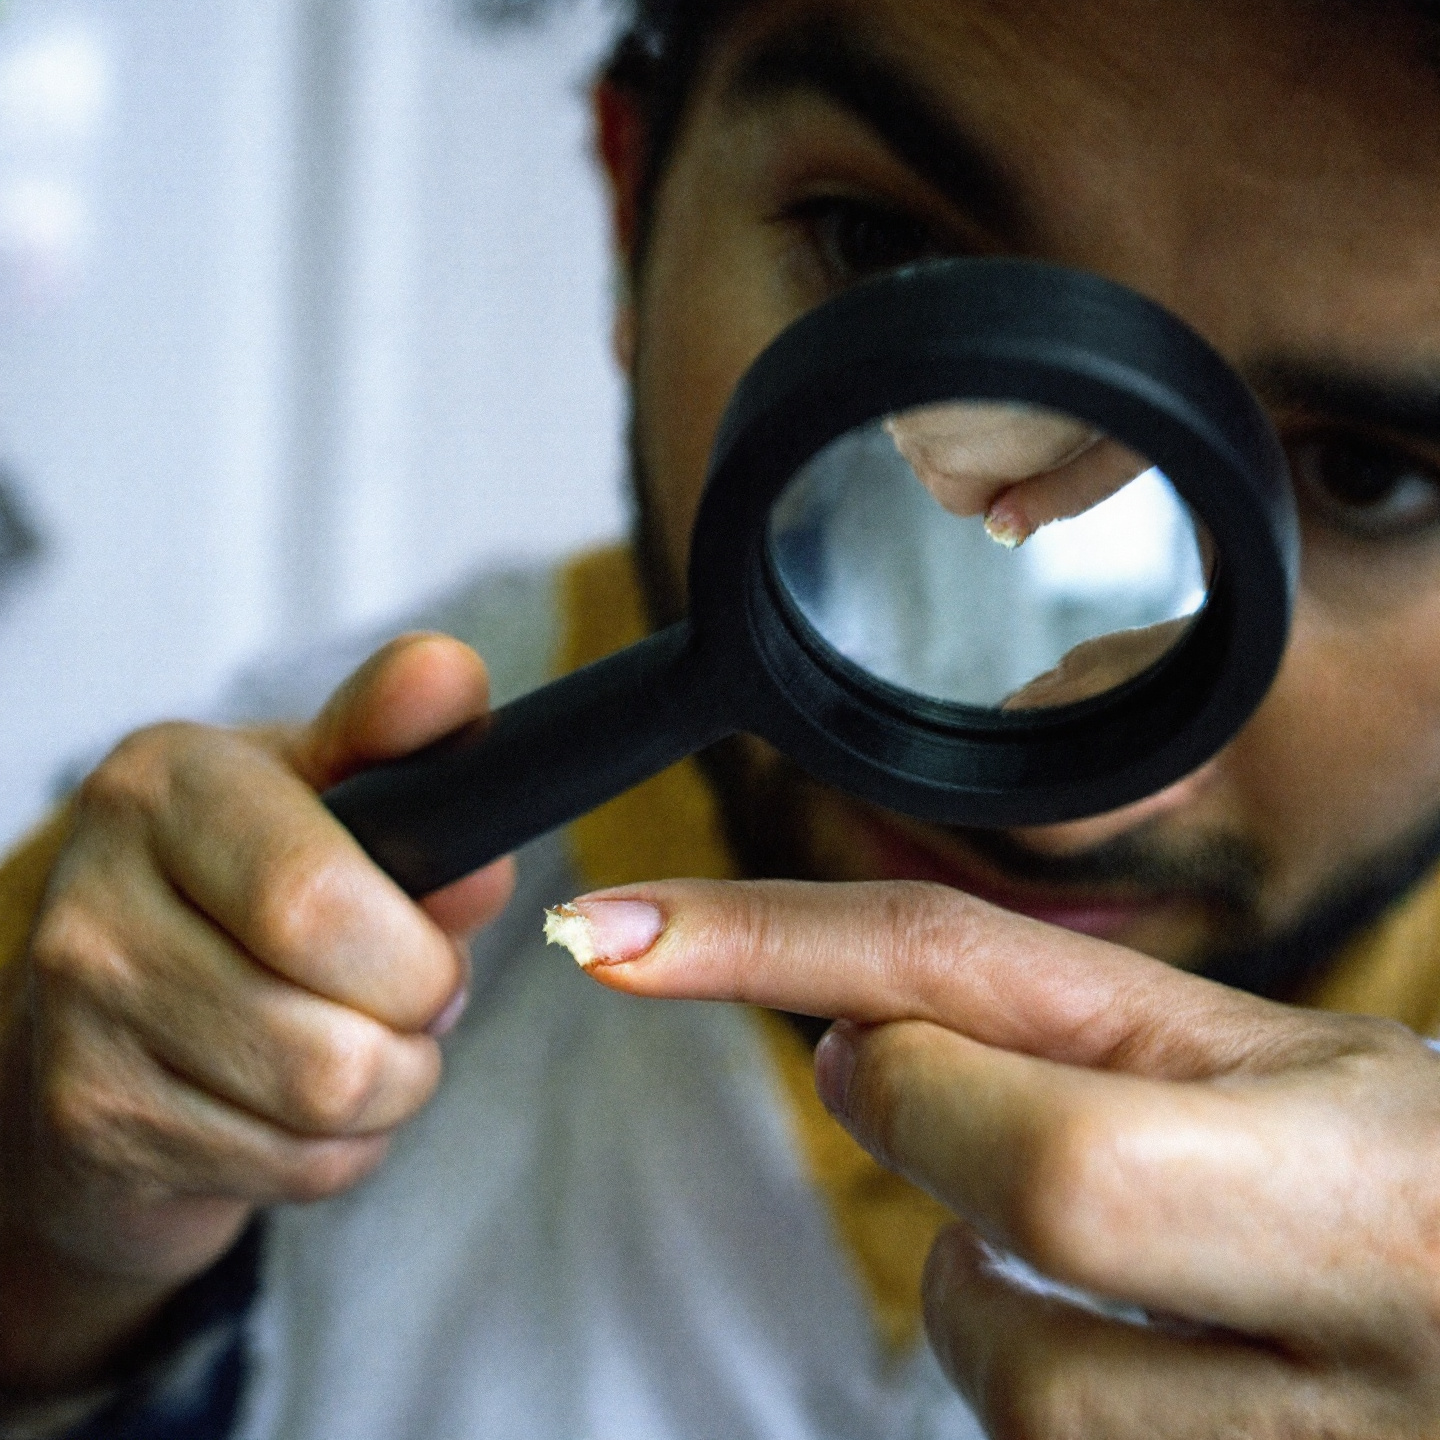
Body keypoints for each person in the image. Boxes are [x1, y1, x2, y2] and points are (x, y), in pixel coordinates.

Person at [3, 0, 1440, 1434]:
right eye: (888, 260)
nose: (1062, 814)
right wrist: (48, 1288)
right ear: (634, 201)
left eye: (1371, 477)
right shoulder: (171, 925)